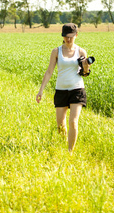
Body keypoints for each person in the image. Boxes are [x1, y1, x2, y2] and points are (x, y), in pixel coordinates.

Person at [36, 23, 91, 152]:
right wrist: (41, 90)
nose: (68, 39)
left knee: (73, 122)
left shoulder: (81, 51)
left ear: (76, 35)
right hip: (61, 90)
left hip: (77, 89)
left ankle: (70, 151)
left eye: (71, 36)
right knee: (60, 125)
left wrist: (86, 65)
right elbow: (49, 71)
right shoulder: (56, 51)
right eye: (66, 36)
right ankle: (63, 144)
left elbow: (85, 73)